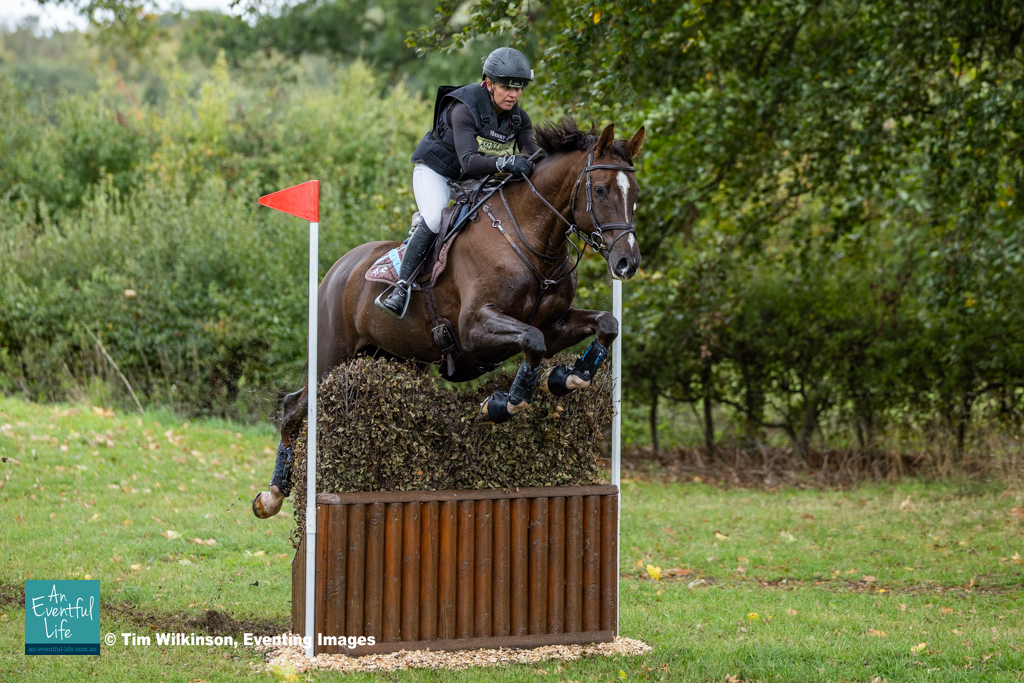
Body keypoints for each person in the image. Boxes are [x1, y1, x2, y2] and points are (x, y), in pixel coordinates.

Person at [375, 46, 541, 318]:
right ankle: (401, 287)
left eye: (519, 88)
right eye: (507, 87)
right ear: (488, 83)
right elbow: (468, 161)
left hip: (473, 179)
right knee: (434, 217)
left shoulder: (519, 119)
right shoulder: (463, 107)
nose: (513, 94)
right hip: (437, 171)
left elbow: (531, 154)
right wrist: (505, 162)